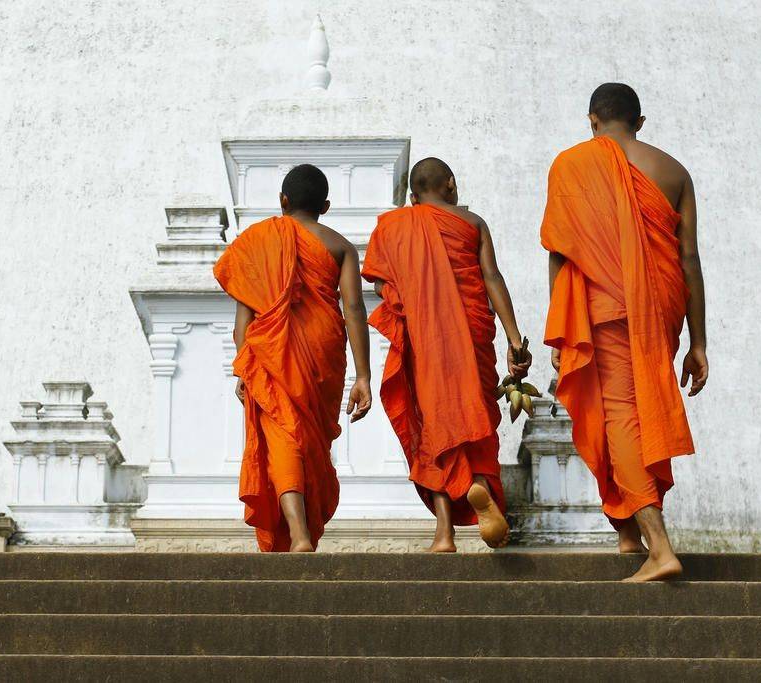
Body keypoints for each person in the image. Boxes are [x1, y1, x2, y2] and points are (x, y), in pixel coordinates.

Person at [542, 83, 708, 581]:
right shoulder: (673, 171)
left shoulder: (571, 164)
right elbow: (689, 258)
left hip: (604, 308)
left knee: (619, 417)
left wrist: (560, 325)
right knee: (641, 412)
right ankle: (628, 534)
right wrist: (699, 341)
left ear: (592, 120)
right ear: (640, 120)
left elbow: (560, 249)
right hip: (660, 307)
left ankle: (659, 546)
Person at [363, 157, 531, 551]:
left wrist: (410, 296)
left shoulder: (392, 228)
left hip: (423, 341)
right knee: (474, 419)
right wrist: (514, 338)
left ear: (411, 196)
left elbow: (381, 288)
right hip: (471, 337)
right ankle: (476, 483)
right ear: (451, 184)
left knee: (431, 426)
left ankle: (444, 533)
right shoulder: (472, 224)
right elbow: (491, 277)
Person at [213, 163, 373, 552]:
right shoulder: (341, 246)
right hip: (323, 351)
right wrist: (364, 377)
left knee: (284, 435)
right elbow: (353, 309)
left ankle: (299, 532)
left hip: (271, 353)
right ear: (326, 205)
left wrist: (247, 365)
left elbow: (244, 319)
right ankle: (302, 532)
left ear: (282, 201)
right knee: (308, 439)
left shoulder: (258, 241)